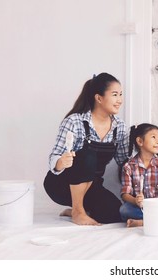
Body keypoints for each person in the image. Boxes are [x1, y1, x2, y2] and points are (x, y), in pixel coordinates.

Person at [43, 73, 129, 226]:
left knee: (115, 214)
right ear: (99, 98)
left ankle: (78, 210)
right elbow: (54, 157)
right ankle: (77, 211)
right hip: (61, 185)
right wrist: (61, 162)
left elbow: (124, 163)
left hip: (91, 186)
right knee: (88, 155)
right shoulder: (75, 121)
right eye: (115, 95)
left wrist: (154, 163)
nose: (120, 100)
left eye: (121, 95)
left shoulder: (120, 127)